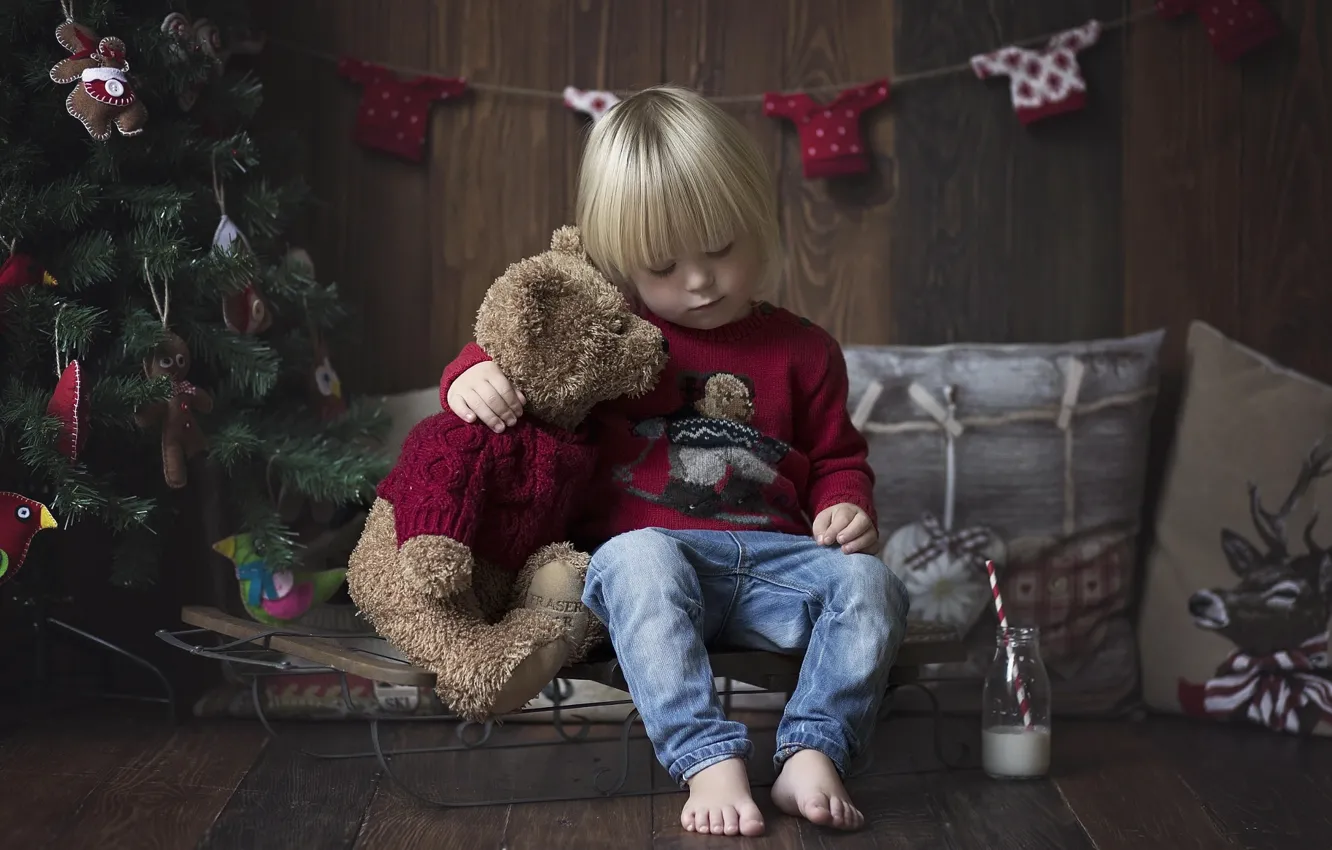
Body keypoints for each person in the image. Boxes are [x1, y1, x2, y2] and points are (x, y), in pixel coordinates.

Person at [439, 84, 910, 838]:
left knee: (872, 584)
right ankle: (706, 757)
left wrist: (844, 503)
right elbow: (524, 354)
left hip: (777, 564)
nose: (698, 280)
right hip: (656, 562)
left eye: (720, 248)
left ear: (757, 219)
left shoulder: (806, 350)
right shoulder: (607, 332)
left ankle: (814, 749)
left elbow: (836, 457)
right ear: (621, 260)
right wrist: (471, 374)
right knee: (631, 560)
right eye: (662, 265)